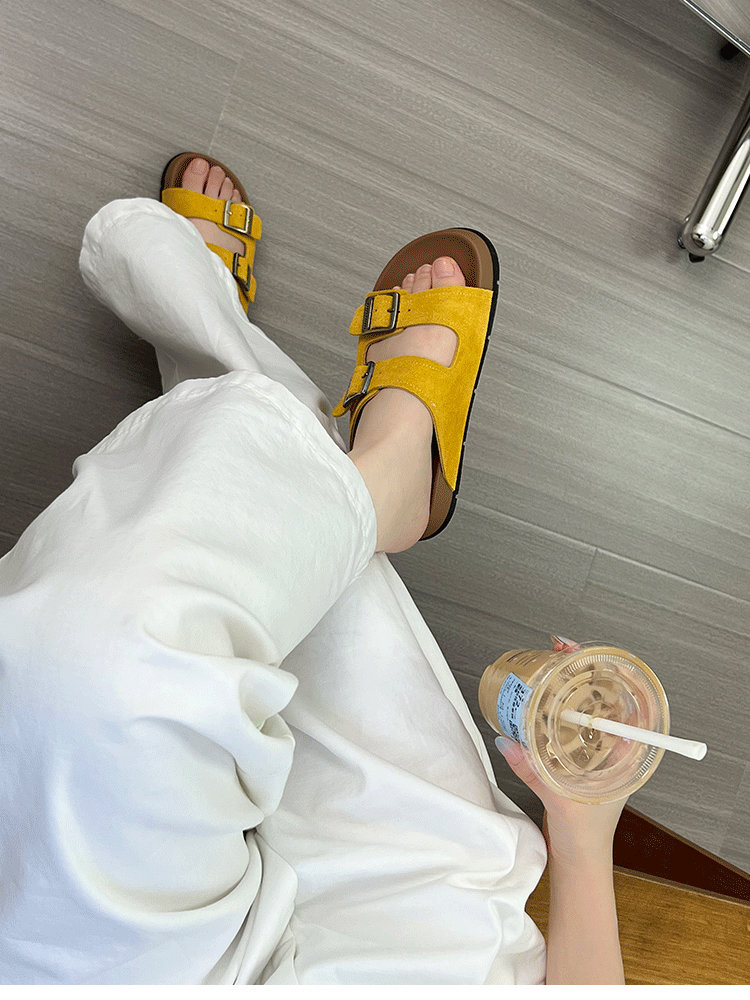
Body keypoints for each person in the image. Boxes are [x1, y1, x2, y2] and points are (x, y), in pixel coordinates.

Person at [0, 153, 627, 985]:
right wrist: (583, 832)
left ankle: (356, 466)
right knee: (258, 612)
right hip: (406, 956)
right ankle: (346, 454)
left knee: (91, 682)